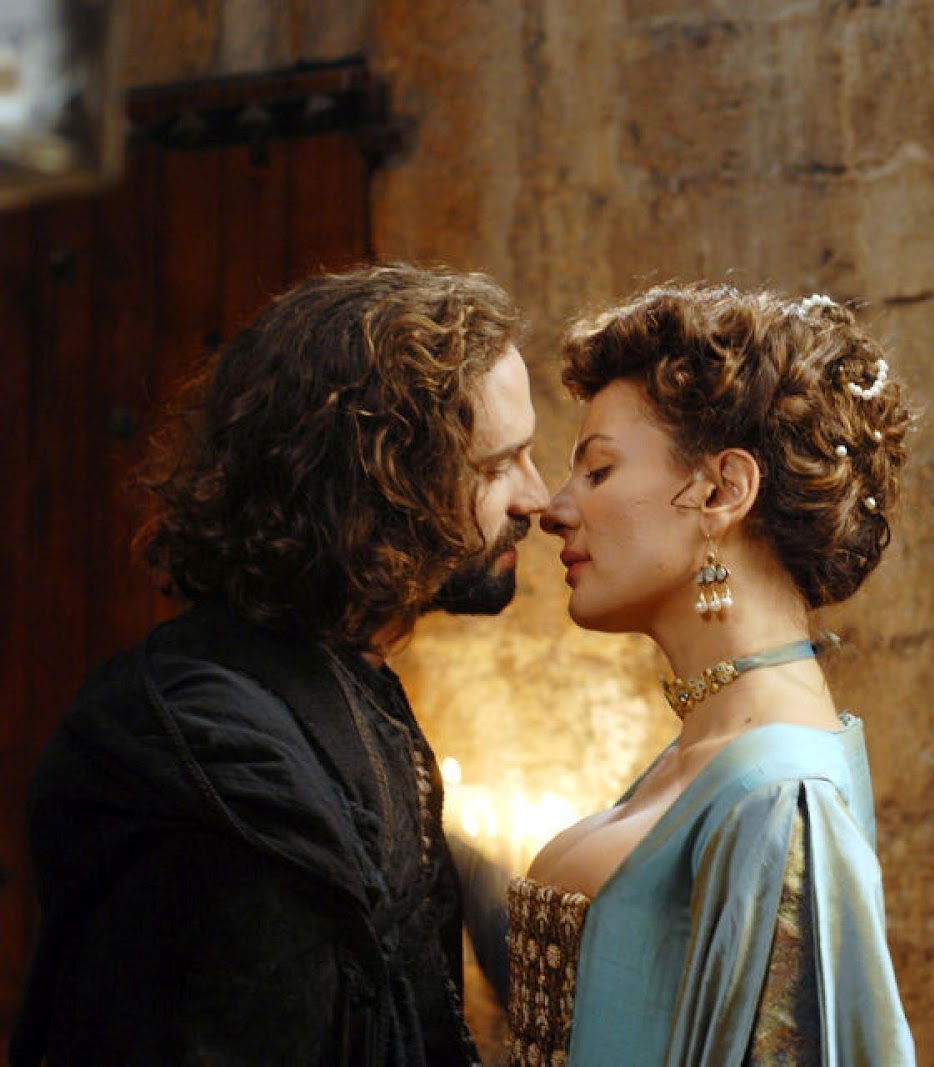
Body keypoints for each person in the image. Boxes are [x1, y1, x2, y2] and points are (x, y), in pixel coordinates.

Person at [10, 264, 551, 1066]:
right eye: (497, 466)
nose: (538, 497)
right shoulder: (219, 754)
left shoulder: (343, 684)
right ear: (381, 481)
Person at [510, 283, 916, 1065]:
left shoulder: (780, 796)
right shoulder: (709, 753)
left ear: (722, 491)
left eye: (597, 470)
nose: (554, 510)